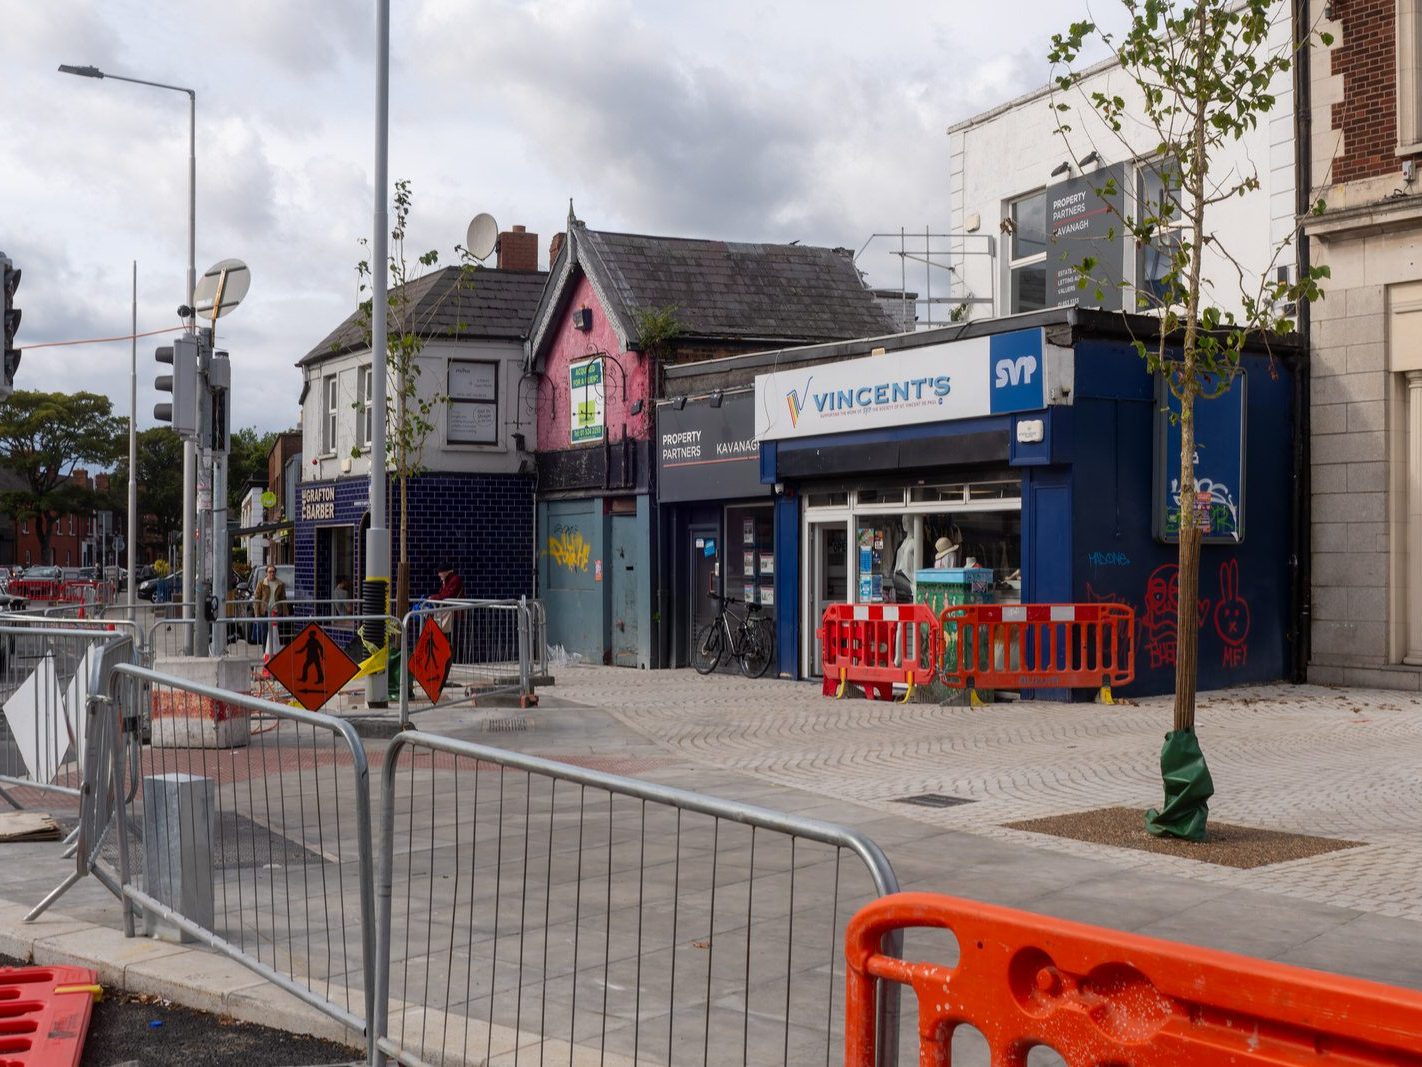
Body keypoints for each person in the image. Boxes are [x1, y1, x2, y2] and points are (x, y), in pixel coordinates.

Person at [252, 564, 288, 645]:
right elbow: (257, 598)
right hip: (265, 611)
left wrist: (285, 612)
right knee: (264, 633)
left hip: (276, 611)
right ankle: (265, 652)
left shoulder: (280, 584)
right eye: (270, 572)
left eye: (273, 571)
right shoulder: (261, 583)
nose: (272, 573)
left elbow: (283, 598)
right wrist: (256, 613)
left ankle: (275, 651)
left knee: (275, 633)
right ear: (266, 573)